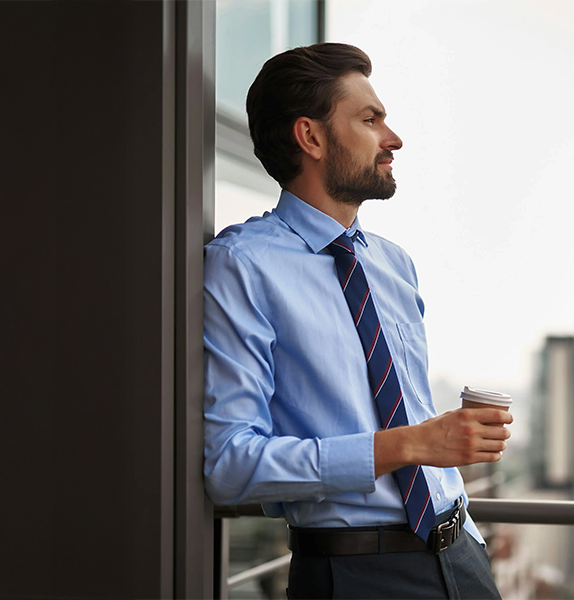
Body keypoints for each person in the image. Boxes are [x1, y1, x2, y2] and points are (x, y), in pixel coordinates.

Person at [203, 43, 510, 599]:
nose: (393, 139)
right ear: (311, 138)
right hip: (353, 576)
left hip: (462, 555)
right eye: (370, 120)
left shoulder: (394, 264)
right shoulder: (242, 265)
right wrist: (411, 445)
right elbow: (230, 463)